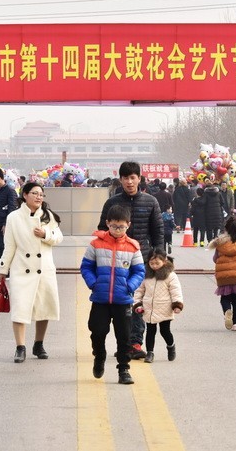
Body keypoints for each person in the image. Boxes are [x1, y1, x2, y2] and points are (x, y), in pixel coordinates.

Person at [97, 161, 164, 361]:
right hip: (116, 261)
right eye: (125, 178)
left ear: (139, 179)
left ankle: (135, 342)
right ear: (121, 179)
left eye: (133, 177)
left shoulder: (151, 202)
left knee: (137, 302)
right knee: (119, 302)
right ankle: (122, 343)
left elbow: (158, 231)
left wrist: (159, 255)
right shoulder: (112, 203)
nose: (129, 181)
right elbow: (102, 229)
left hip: (141, 260)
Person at [0, 182, 63, 363]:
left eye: (41, 194)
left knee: (45, 309)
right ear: (24, 195)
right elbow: (9, 245)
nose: (39, 197)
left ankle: (38, 344)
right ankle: (20, 347)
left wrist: (45, 235)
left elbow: (58, 238)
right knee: (20, 308)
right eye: (34, 193)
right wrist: (2, 269)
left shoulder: (48, 216)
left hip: (44, 269)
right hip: (22, 269)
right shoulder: (14, 217)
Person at [81, 204, 145, 384]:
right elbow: (86, 267)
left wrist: (129, 286)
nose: (118, 230)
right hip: (100, 299)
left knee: (124, 336)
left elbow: (139, 271)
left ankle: (123, 369)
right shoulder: (96, 244)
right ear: (107, 223)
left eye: (122, 227)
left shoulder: (133, 247)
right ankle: (99, 357)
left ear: (128, 225)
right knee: (97, 330)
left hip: (123, 299)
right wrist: (93, 283)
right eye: (114, 226)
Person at [133, 248, 183, 363]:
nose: (154, 266)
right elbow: (139, 291)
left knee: (165, 331)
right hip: (149, 308)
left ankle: (171, 346)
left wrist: (177, 305)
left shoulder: (170, 276)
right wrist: (137, 304)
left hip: (164, 307)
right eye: (151, 263)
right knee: (150, 331)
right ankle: (150, 353)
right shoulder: (146, 275)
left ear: (164, 261)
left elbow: (176, 291)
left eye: (157, 263)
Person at [209, 216, 236, 331]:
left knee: (225, 298)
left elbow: (215, 258)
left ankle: (227, 311)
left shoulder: (220, 243)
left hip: (224, 276)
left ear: (226, 229)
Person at [202, 178, 225, 242]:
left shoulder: (206, 194)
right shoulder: (218, 193)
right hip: (217, 212)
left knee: (209, 227)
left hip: (208, 213)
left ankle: (209, 240)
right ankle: (215, 239)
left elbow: (203, 202)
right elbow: (222, 202)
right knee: (216, 227)